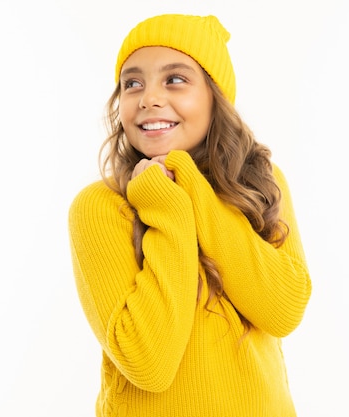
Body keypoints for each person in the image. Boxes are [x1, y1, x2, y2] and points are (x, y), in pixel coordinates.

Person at [68, 13, 312, 417]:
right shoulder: (100, 206)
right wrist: (165, 207)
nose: (148, 98)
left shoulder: (261, 184)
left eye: (174, 79)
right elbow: (149, 364)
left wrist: (194, 188)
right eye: (132, 83)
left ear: (216, 96)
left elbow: (282, 311)